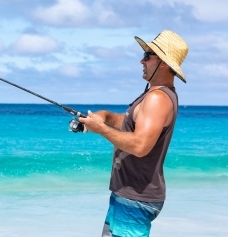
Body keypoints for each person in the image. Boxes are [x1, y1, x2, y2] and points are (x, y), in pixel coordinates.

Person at [79, 30, 188, 237]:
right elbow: (131, 123)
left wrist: (100, 129)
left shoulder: (158, 98)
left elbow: (140, 145)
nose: (142, 61)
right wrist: (106, 118)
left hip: (136, 198)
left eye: (148, 56)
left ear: (163, 63)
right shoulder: (153, 95)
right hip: (128, 195)